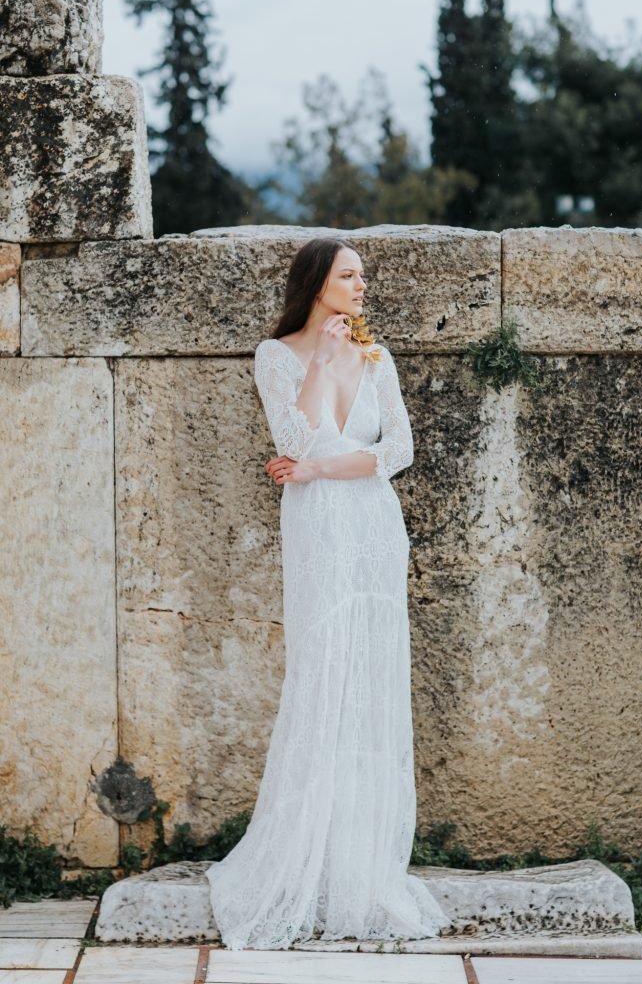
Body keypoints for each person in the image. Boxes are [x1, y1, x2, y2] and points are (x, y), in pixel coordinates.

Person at [205, 237, 452, 949]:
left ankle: (363, 866)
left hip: (374, 529)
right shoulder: (276, 356)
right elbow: (291, 433)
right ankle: (300, 859)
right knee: (321, 673)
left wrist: (319, 472)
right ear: (317, 284)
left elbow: (397, 451)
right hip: (317, 535)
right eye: (350, 275)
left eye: (363, 275)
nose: (362, 285)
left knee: (372, 680)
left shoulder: (379, 359)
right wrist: (316, 368)